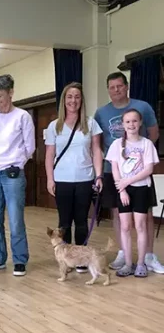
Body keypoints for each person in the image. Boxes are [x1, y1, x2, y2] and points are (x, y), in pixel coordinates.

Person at [94, 72, 164, 274]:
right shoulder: (101, 113)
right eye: (112, 87)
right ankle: (124, 254)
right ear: (108, 89)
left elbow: (153, 133)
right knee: (118, 214)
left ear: (126, 86)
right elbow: (98, 143)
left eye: (119, 86)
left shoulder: (143, 107)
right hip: (113, 171)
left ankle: (148, 256)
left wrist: (142, 156)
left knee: (146, 215)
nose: (116, 90)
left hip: (140, 173)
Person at [45, 82, 103, 273]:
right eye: (69, 97)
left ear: (81, 100)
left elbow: (96, 150)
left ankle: (80, 259)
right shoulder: (55, 126)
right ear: (64, 100)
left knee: (80, 221)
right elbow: (49, 155)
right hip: (62, 180)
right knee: (64, 222)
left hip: (85, 178)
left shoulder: (91, 123)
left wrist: (99, 175)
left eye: (77, 97)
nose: (73, 100)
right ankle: (66, 259)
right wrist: (50, 179)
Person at [0, 74, 35, 277]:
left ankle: (20, 260)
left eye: (0, 96)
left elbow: (30, 147)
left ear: (11, 93)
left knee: (15, 220)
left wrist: (17, 163)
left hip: (13, 173)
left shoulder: (22, 116)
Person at [106, 109, 159, 277]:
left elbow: (148, 169)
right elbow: (115, 169)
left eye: (134, 121)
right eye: (128, 122)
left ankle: (141, 263)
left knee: (141, 226)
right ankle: (128, 263)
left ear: (140, 122)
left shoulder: (146, 144)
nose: (131, 124)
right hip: (123, 191)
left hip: (142, 188)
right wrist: (122, 190)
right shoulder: (116, 145)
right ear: (123, 125)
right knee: (126, 226)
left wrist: (127, 182)